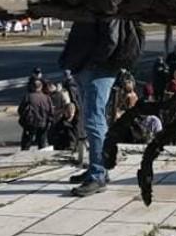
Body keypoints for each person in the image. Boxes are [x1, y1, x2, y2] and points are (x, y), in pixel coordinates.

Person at [59, 18, 144, 197]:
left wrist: (93, 62)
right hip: (90, 67)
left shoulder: (105, 4)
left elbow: (110, 39)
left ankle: (98, 175)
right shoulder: (96, 3)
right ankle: (97, 170)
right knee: (93, 119)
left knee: (94, 120)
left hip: (97, 69)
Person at [18, 79, 53, 151]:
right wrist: (49, 122)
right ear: (41, 87)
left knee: (26, 144)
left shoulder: (28, 97)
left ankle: (24, 157)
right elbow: (51, 112)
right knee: (42, 144)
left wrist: (24, 120)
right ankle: (41, 158)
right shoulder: (46, 98)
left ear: (32, 87)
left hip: (30, 123)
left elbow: (20, 110)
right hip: (43, 124)